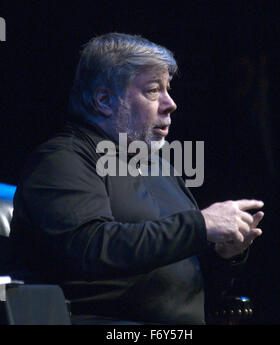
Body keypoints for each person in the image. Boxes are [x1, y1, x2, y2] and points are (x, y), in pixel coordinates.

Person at [8, 33, 264, 325]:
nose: (171, 104)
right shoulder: (61, 160)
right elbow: (90, 247)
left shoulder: (160, 166)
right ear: (104, 100)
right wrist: (201, 225)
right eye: (154, 91)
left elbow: (186, 280)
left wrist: (223, 255)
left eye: (168, 89)